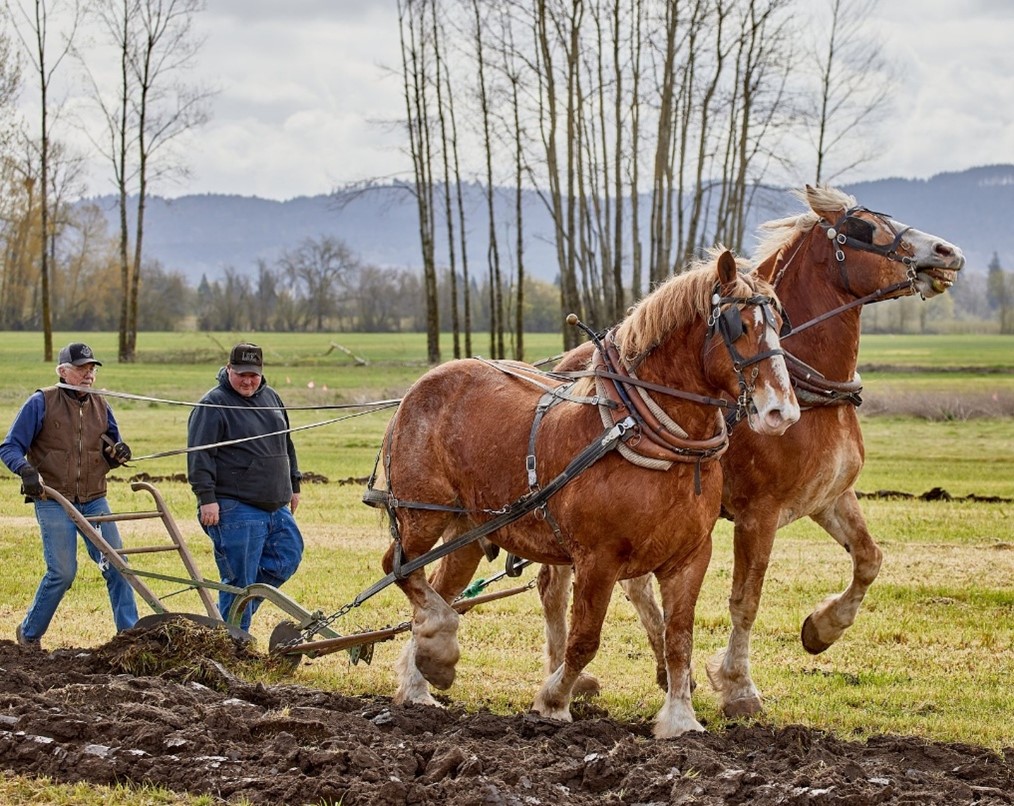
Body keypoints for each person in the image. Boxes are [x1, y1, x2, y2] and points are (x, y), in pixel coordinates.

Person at [0, 342, 139, 649]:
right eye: (81, 368)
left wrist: (118, 454)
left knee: (118, 565)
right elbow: (9, 447)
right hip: (53, 498)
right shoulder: (41, 402)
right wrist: (25, 470)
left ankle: (130, 638)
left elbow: (111, 448)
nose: (88, 374)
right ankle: (29, 634)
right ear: (63, 371)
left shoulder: (102, 405)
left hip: (94, 498)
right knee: (62, 572)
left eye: (91, 368)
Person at [186, 342, 304, 631]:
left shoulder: (272, 398)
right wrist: (206, 498)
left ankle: (232, 617)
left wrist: (293, 484)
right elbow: (200, 454)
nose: (248, 381)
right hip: (234, 506)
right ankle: (234, 641)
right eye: (241, 374)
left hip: (275, 504)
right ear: (228, 370)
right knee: (239, 580)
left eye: (254, 374)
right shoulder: (212, 404)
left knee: (288, 555)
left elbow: (286, 443)